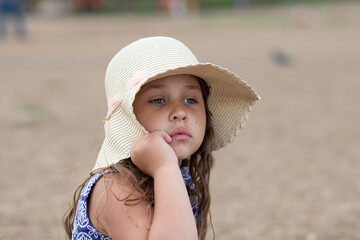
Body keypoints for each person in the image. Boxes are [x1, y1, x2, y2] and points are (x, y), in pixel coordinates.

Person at [63, 36, 260, 240]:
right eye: (158, 100)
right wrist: (164, 168)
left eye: (190, 99)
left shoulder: (179, 177)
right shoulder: (115, 187)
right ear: (128, 117)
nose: (180, 112)